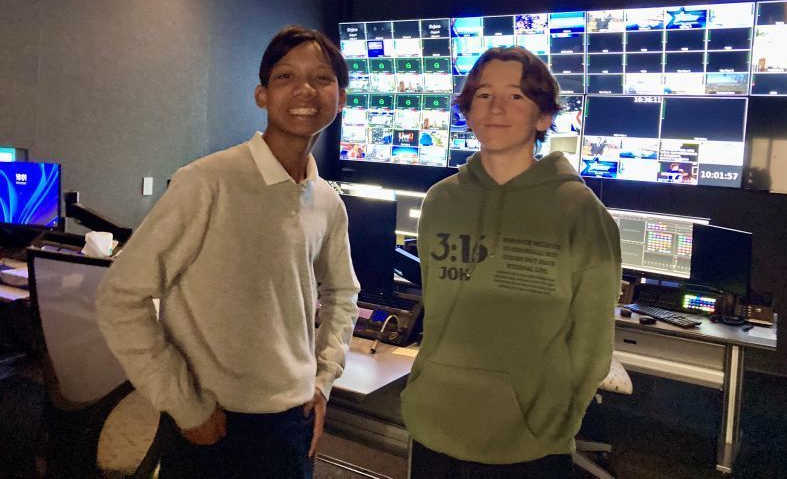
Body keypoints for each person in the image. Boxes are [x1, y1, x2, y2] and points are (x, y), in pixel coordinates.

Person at [96, 25, 360, 479]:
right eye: (286, 77)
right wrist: (184, 404)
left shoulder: (326, 202)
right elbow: (120, 297)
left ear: (341, 99)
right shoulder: (207, 181)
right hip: (212, 420)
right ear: (261, 95)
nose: (305, 90)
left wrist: (322, 381)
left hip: (292, 422)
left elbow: (343, 294)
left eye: (321, 78)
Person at [401, 46, 621, 478]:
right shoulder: (440, 201)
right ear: (467, 112)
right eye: (484, 95)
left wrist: (556, 421)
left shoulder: (579, 211)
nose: (496, 107)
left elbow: (592, 341)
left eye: (516, 95)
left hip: (529, 440)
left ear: (543, 116)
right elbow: (440, 311)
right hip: (435, 422)